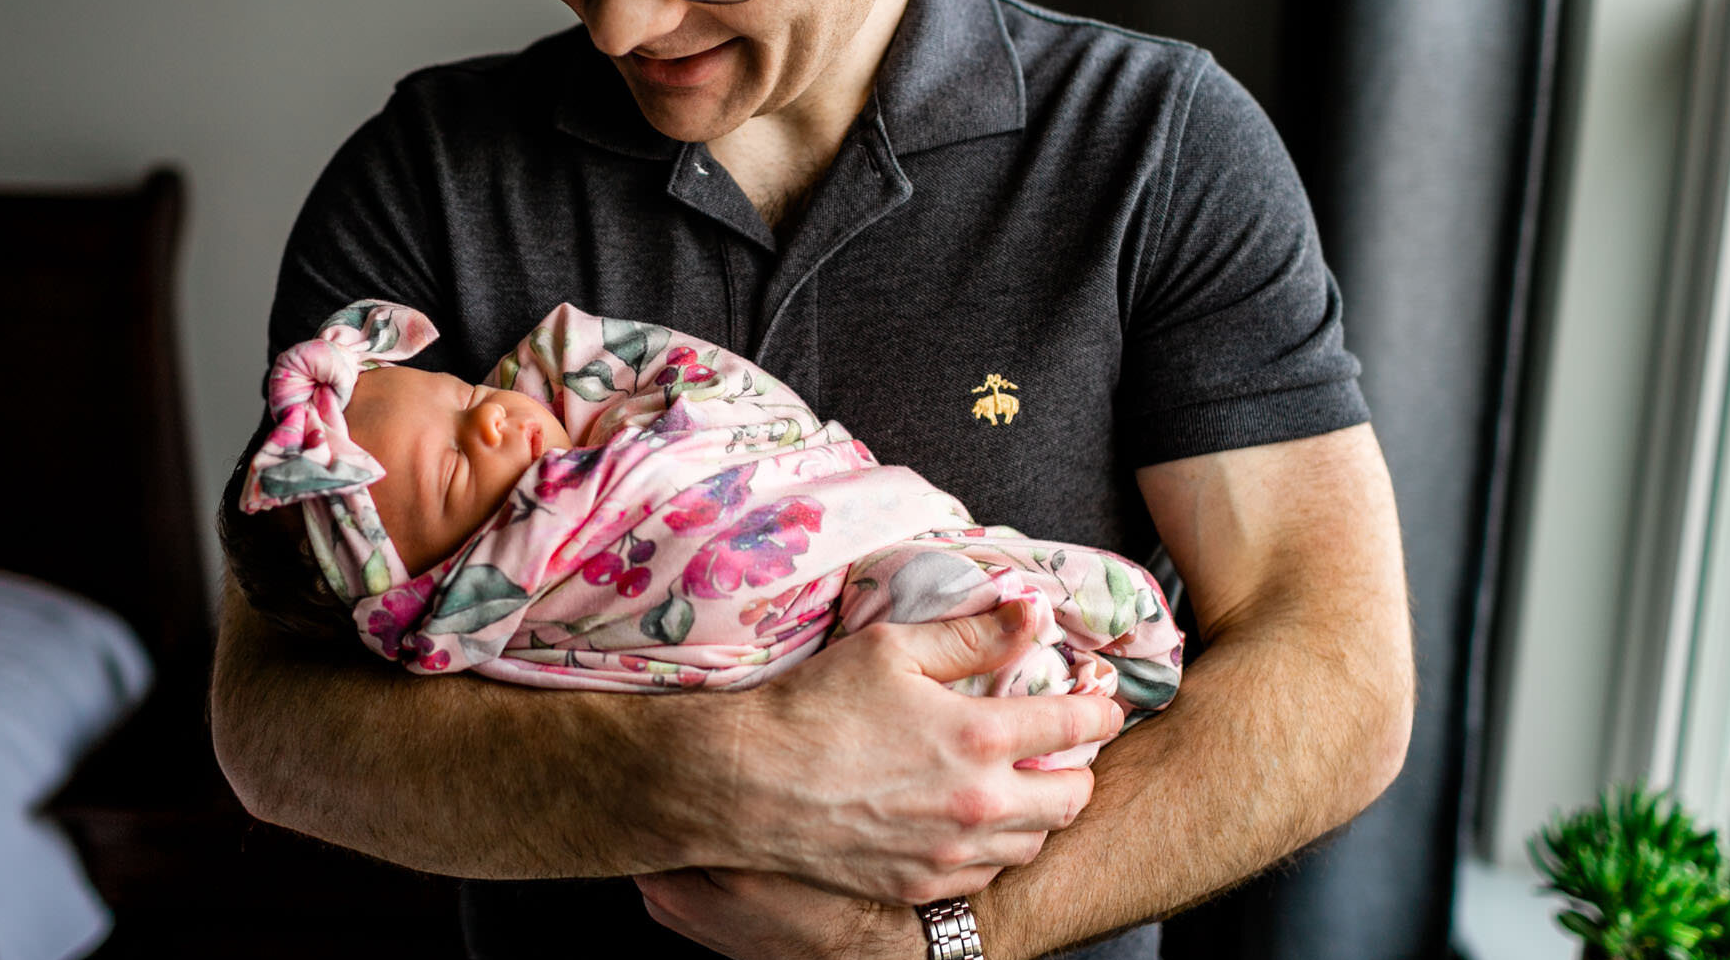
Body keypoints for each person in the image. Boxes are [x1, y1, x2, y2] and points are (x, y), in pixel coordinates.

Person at [207, 0, 1415, 960]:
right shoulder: (427, 175)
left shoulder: (1157, 150)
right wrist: (724, 776)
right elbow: (275, 723)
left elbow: (1335, 674)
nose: (619, 20)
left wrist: (926, 947)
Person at [220, 299, 1182, 749]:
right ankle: (1043, 685)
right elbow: (268, 741)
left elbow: (712, 407)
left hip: (866, 537)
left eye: (466, 388)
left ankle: (1082, 660)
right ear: (422, 581)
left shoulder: (578, 404)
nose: (497, 413)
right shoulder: (513, 610)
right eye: (461, 464)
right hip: (828, 630)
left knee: (992, 580)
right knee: (937, 602)